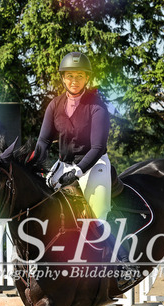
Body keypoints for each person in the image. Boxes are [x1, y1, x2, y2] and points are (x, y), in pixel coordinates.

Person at [33, 52, 112, 220]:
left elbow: (98, 147)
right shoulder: (55, 105)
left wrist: (77, 172)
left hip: (94, 165)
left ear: (87, 78)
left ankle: (104, 234)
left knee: (99, 211)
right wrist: (34, 165)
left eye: (79, 76)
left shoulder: (97, 106)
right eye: (70, 75)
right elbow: (44, 140)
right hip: (64, 164)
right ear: (63, 78)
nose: (74, 80)